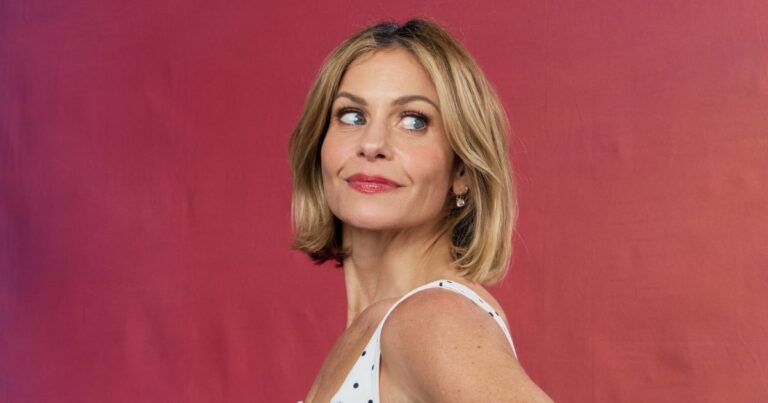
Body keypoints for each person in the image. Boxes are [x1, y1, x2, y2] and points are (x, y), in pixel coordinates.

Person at [289, 18, 553, 402]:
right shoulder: (373, 328)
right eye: (352, 116)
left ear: (461, 170)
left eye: (413, 121)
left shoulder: (432, 319)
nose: (372, 144)